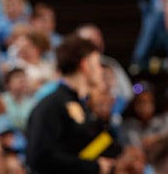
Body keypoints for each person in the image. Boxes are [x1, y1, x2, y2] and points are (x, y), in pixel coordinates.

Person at [26, 35, 121, 174]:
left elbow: (97, 147)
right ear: (85, 65)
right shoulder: (52, 105)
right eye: (97, 64)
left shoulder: (83, 106)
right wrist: (94, 167)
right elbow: (39, 158)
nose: (101, 71)